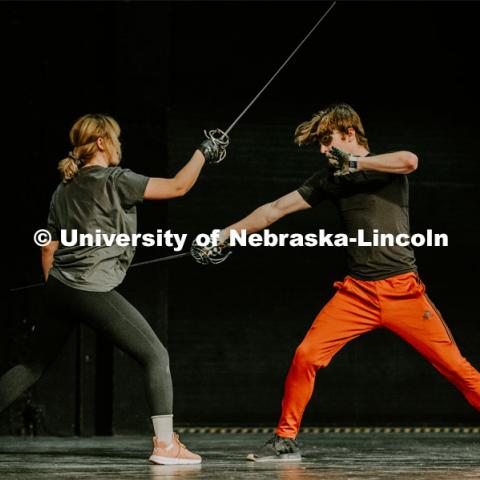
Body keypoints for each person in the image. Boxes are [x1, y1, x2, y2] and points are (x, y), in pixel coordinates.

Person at [191, 103, 480, 461]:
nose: (325, 150)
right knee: (306, 355)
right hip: (356, 293)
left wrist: (357, 163)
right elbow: (274, 209)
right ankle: (285, 440)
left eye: (329, 141)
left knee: (455, 367)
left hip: (402, 291)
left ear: (350, 134)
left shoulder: (386, 167)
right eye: (321, 145)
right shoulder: (329, 179)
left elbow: (410, 160)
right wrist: (224, 235)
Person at [0, 113, 228, 465]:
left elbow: (48, 249)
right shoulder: (116, 180)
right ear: (103, 142)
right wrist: (203, 151)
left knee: (32, 366)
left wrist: (60, 292)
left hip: (59, 288)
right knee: (156, 355)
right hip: (91, 288)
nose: (120, 144)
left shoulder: (63, 188)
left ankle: (167, 444)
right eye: (116, 138)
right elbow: (178, 187)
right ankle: (166, 446)